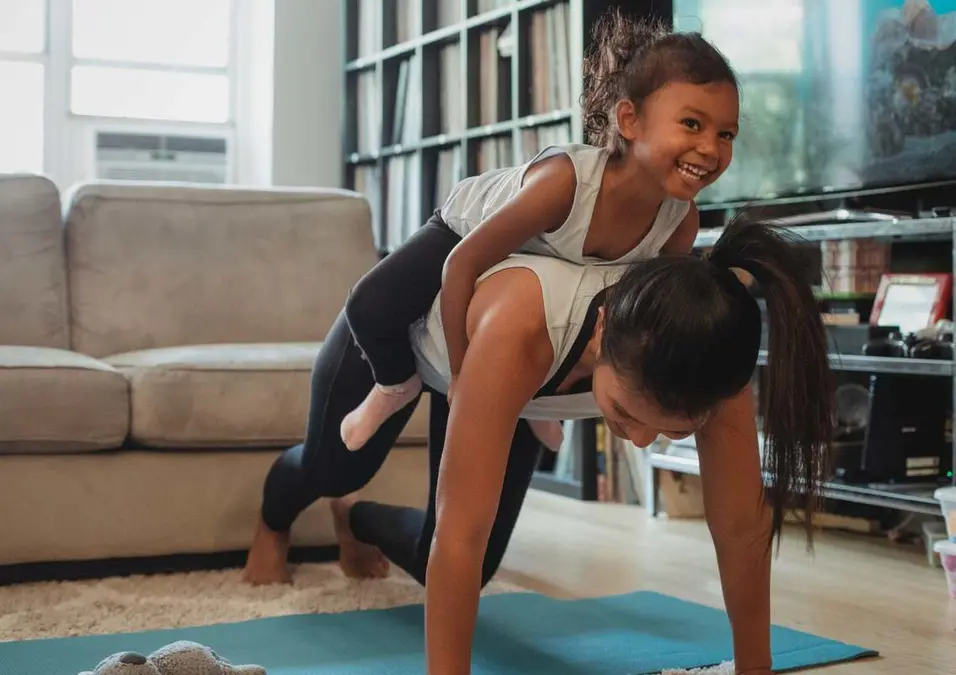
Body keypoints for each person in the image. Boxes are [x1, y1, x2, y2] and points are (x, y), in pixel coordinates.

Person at [242, 214, 834, 675]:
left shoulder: (708, 356)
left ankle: (357, 521)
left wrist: (754, 666)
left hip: (499, 387)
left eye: (673, 430)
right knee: (334, 467)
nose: (646, 440)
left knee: (459, 570)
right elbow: (461, 530)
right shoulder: (527, 326)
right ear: (601, 333)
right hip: (399, 345)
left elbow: (739, 528)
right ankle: (275, 521)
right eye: (627, 413)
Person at [338, 9, 741, 452]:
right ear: (629, 121)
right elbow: (461, 265)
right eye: (692, 124)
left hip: (546, 270)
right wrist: (460, 378)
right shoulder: (565, 184)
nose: (710, 148)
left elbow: (629, 321)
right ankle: (394, 386)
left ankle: (534, 410)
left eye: (726, 134)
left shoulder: (679, 222)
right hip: (461, 229)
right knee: (367, 305)